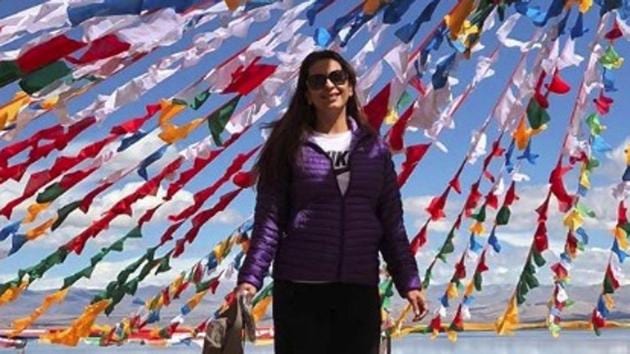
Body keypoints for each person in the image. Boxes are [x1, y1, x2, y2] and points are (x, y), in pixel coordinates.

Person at [236, 50, 426, 354]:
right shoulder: (287, 146)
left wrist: (409, 281)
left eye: (337, 77)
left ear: (350, 87)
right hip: (299, 289)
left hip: (359, 287)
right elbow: (269, 222)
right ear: (307, 94)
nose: (329, 86)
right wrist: (250, 278)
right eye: (317, 80)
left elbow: (391, 223)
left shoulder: (375, 150)